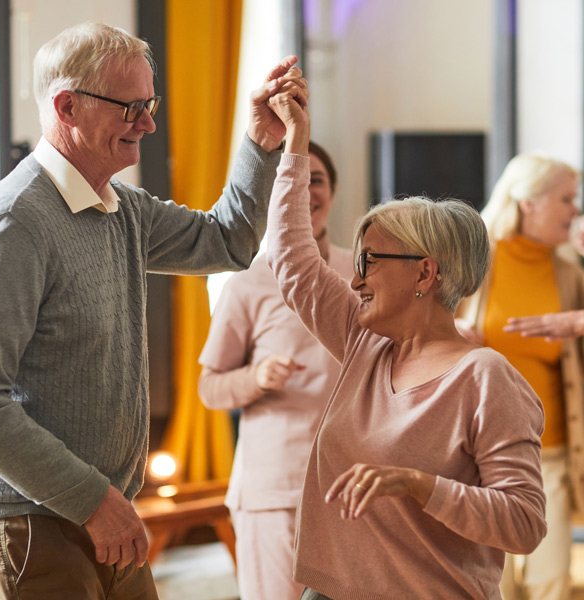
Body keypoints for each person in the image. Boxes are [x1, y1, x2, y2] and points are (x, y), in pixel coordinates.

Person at [0, 22, 308, 600]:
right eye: (132, 107)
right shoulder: (17, 221)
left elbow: (228, 242)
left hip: (106, 512)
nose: (150, 124)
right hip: (39, 524)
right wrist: (91, 501)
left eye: (150, 104)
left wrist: (260, 142)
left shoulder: (123, 209)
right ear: (68, 107)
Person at [261, 77, 546, 599]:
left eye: (370, 261)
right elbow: (293, 260)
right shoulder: (363, 343)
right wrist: (295, 141)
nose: (355, 278)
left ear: (424, 274)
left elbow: (525, 522)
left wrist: (419, 485)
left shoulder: (485, 378)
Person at [198, 141, 353, 600]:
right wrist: (257, 376)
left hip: (353, 486)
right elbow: (210, 387)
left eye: (317, 179)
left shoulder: (362, 274)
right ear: (274, 194)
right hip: (275, 489)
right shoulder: (247, 282)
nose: (306, 190)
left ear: (334, 192)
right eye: (293, 179)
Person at [456, 154, 583, 600]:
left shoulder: (569, 271)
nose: (576, 210)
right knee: (492, 584)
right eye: (567, 199)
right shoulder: (471, 261)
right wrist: (449, 331)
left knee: (552, 583)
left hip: (553, 454)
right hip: (479, 452)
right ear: (528, 201)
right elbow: (414, 330)